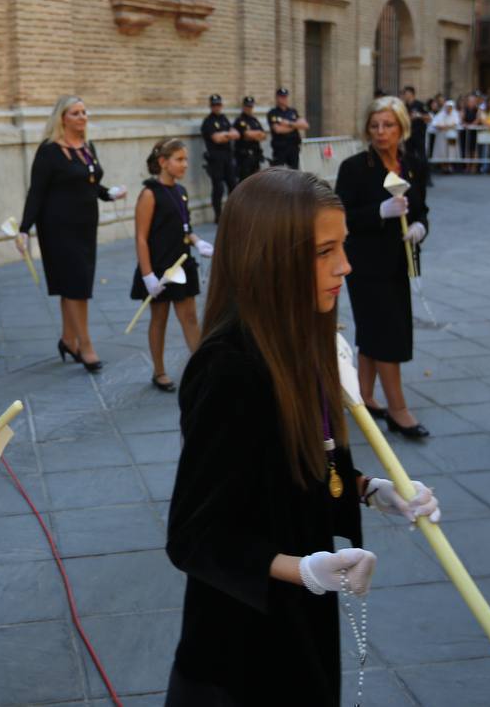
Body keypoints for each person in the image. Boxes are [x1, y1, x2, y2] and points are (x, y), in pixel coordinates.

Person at [165, 168, 441, 705]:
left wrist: (368, 489)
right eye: (323, 252)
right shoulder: (229, 370)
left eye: (343, 246)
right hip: (242, 644)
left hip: (297, 614)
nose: (345, 266)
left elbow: (299, 455)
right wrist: (302, 570)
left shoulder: (303, 341)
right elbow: (194, 536)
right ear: (269, 258)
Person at [336, 97, 430, 438]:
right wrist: (379, 211)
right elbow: (341, 216)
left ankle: (362, 395)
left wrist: (420, 227)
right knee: (386, 333)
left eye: (388, 125)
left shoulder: (412, 164)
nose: (380, 132)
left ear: (402, 127)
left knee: (375, 331)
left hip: (398, 262)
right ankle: (398, 409)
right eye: (375, 125)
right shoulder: (355, 167)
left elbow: (422, 209)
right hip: (366, 263)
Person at [17, 96, 127, 373]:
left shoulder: (87, 147)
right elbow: (36, 192)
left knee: (73, 286)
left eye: (84, 112)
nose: (82, 117)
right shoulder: (49, 150)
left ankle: (68, 339)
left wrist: (109, 194)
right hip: (58, 229)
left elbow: (91, 183)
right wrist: (23, 229)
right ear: (62, 118)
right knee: (78, 288)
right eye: (76, 113)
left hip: (85, 227)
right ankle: (85, 345)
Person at [132, 139, 208, 392]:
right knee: (160, 318)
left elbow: (185, 227)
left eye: (185, 159)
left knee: (190, 317)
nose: (185, 164)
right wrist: (147, 276)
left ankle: (202, 368)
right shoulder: (149, 194)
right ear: (163, 162)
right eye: (179, 159)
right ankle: (159, 370)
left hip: (181, 264)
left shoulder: (181, 191)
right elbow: (141, 237)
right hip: (160, 267)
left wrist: (198, 242)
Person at [200, 94, 239, 222]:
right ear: (210, 106)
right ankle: (218, 215)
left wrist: (224, 135)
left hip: (228, 157)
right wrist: (228, 134)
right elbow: (216, 138)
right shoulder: (208, 121)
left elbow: (236, 134)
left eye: (218, 104)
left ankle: (233, 213)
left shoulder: (224, 119)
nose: (217, 107)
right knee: (218, 188)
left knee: (233, 185)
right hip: (215, 159)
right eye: (214, 105)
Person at [266, 87, 307, 170]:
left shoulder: (293, 111)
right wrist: (295, 126)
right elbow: (278, 130)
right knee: (278, 173)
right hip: (280, 148)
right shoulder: (273, 113)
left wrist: (289, 124)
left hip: (293, 147)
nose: (284, 99)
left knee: (294, 172)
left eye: (285, 97)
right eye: (281, 97)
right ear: (277, 98)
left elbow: (305, 125)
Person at [233, 96, 266, 181]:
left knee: (256, 181)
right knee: (245, 181)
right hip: (244, 157)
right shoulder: (240, 120)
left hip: (255, 155)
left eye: (251, 106)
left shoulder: (254, 120)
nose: (249, 108)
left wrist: (254, 134)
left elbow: (264, 136)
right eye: (247, 106)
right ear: (243, 106)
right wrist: (257, 134)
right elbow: (247, 135)